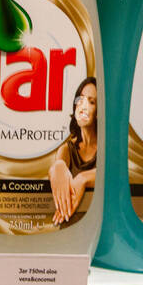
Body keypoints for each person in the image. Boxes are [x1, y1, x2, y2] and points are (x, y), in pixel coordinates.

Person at [49, 77, 97, 226]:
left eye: (91, 102)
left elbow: (114, 174)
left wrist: (83, 178)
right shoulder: (67, 149)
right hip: (68, 227)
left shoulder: (109, 149)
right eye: (80, 100)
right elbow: (58, 165)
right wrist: (58, 168)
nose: (83, 107)